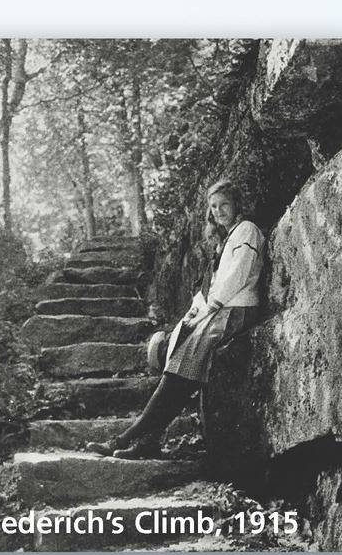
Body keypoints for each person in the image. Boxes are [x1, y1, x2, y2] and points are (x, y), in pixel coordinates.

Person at [111, 182, 268, 458]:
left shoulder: (247, 231)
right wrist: (196, 312)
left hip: (237, 309)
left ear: (237, 205)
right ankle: (147, 440)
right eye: (214, 206)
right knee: (181, 365)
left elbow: (237, 276)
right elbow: (209, 287)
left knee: (185, 363)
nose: (218, 211)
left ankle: (132, 435)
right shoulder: (225, 239)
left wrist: (210, 308)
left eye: (224, 204)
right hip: (220, 310)